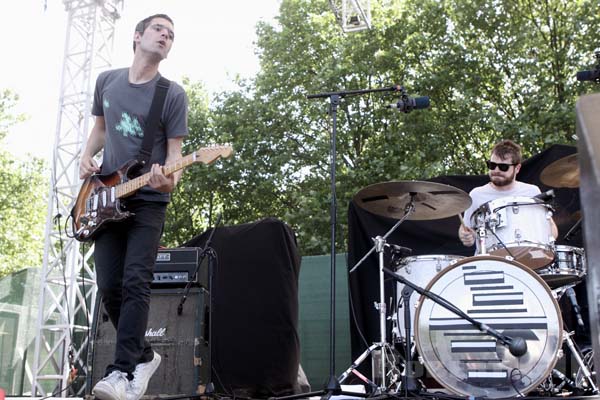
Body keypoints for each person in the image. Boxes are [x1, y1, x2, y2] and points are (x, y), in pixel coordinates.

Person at [78, 14, 188, 400]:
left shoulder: (171, 94)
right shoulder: (107, 81)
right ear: (138, 36)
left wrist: (168, 178)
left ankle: (121, 372)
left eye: (171, 35)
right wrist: (85, 157)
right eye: (160, 29)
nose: (166, 36)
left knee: (135, 281)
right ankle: (144, 355)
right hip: (105, 198)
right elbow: (101, 129)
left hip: (148, 199)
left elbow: (175, 160)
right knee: (109, 285)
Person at [458, 139, 558, 247]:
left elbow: (551, 228)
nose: (496, 170)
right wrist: (466, 236)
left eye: (503, 167)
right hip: (488, 260)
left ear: (517, 168)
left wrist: (545, 244)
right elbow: (466, 228)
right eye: (492, 165)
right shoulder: (477, 194)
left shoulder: (531, 192)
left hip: (525, 258)